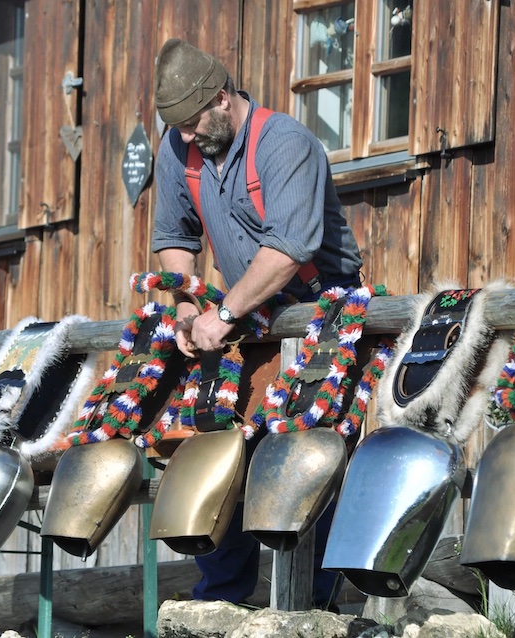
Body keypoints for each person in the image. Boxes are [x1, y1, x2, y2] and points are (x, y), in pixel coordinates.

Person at [151, 38, 364, 609]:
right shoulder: (178, 146)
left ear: (222, 99)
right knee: (222, 441)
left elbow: (288, 249)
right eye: (179, 130)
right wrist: (188, 303)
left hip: (323, 311)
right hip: (247, 314)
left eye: (194, 125)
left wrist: (221, 313)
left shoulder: (286, 143)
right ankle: (221, 602)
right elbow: (174, 238)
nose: (186, 139)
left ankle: (311, 610)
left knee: (314, 454)